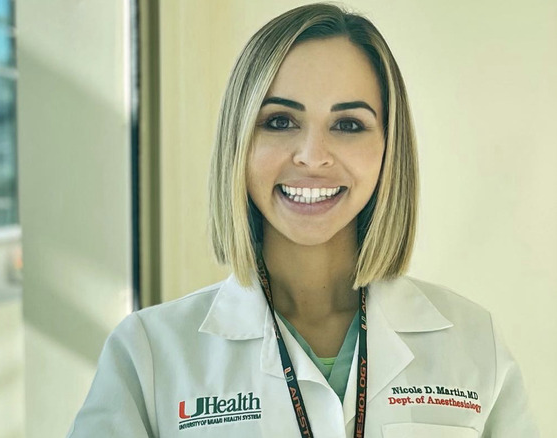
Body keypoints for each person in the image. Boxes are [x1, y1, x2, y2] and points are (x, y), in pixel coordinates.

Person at [67, 3, 539, 437]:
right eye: (279, 121)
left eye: (348, 125)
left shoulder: (474, 343)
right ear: (239, 143)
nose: (313, 158)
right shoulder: (149, 354)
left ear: (389, 149)